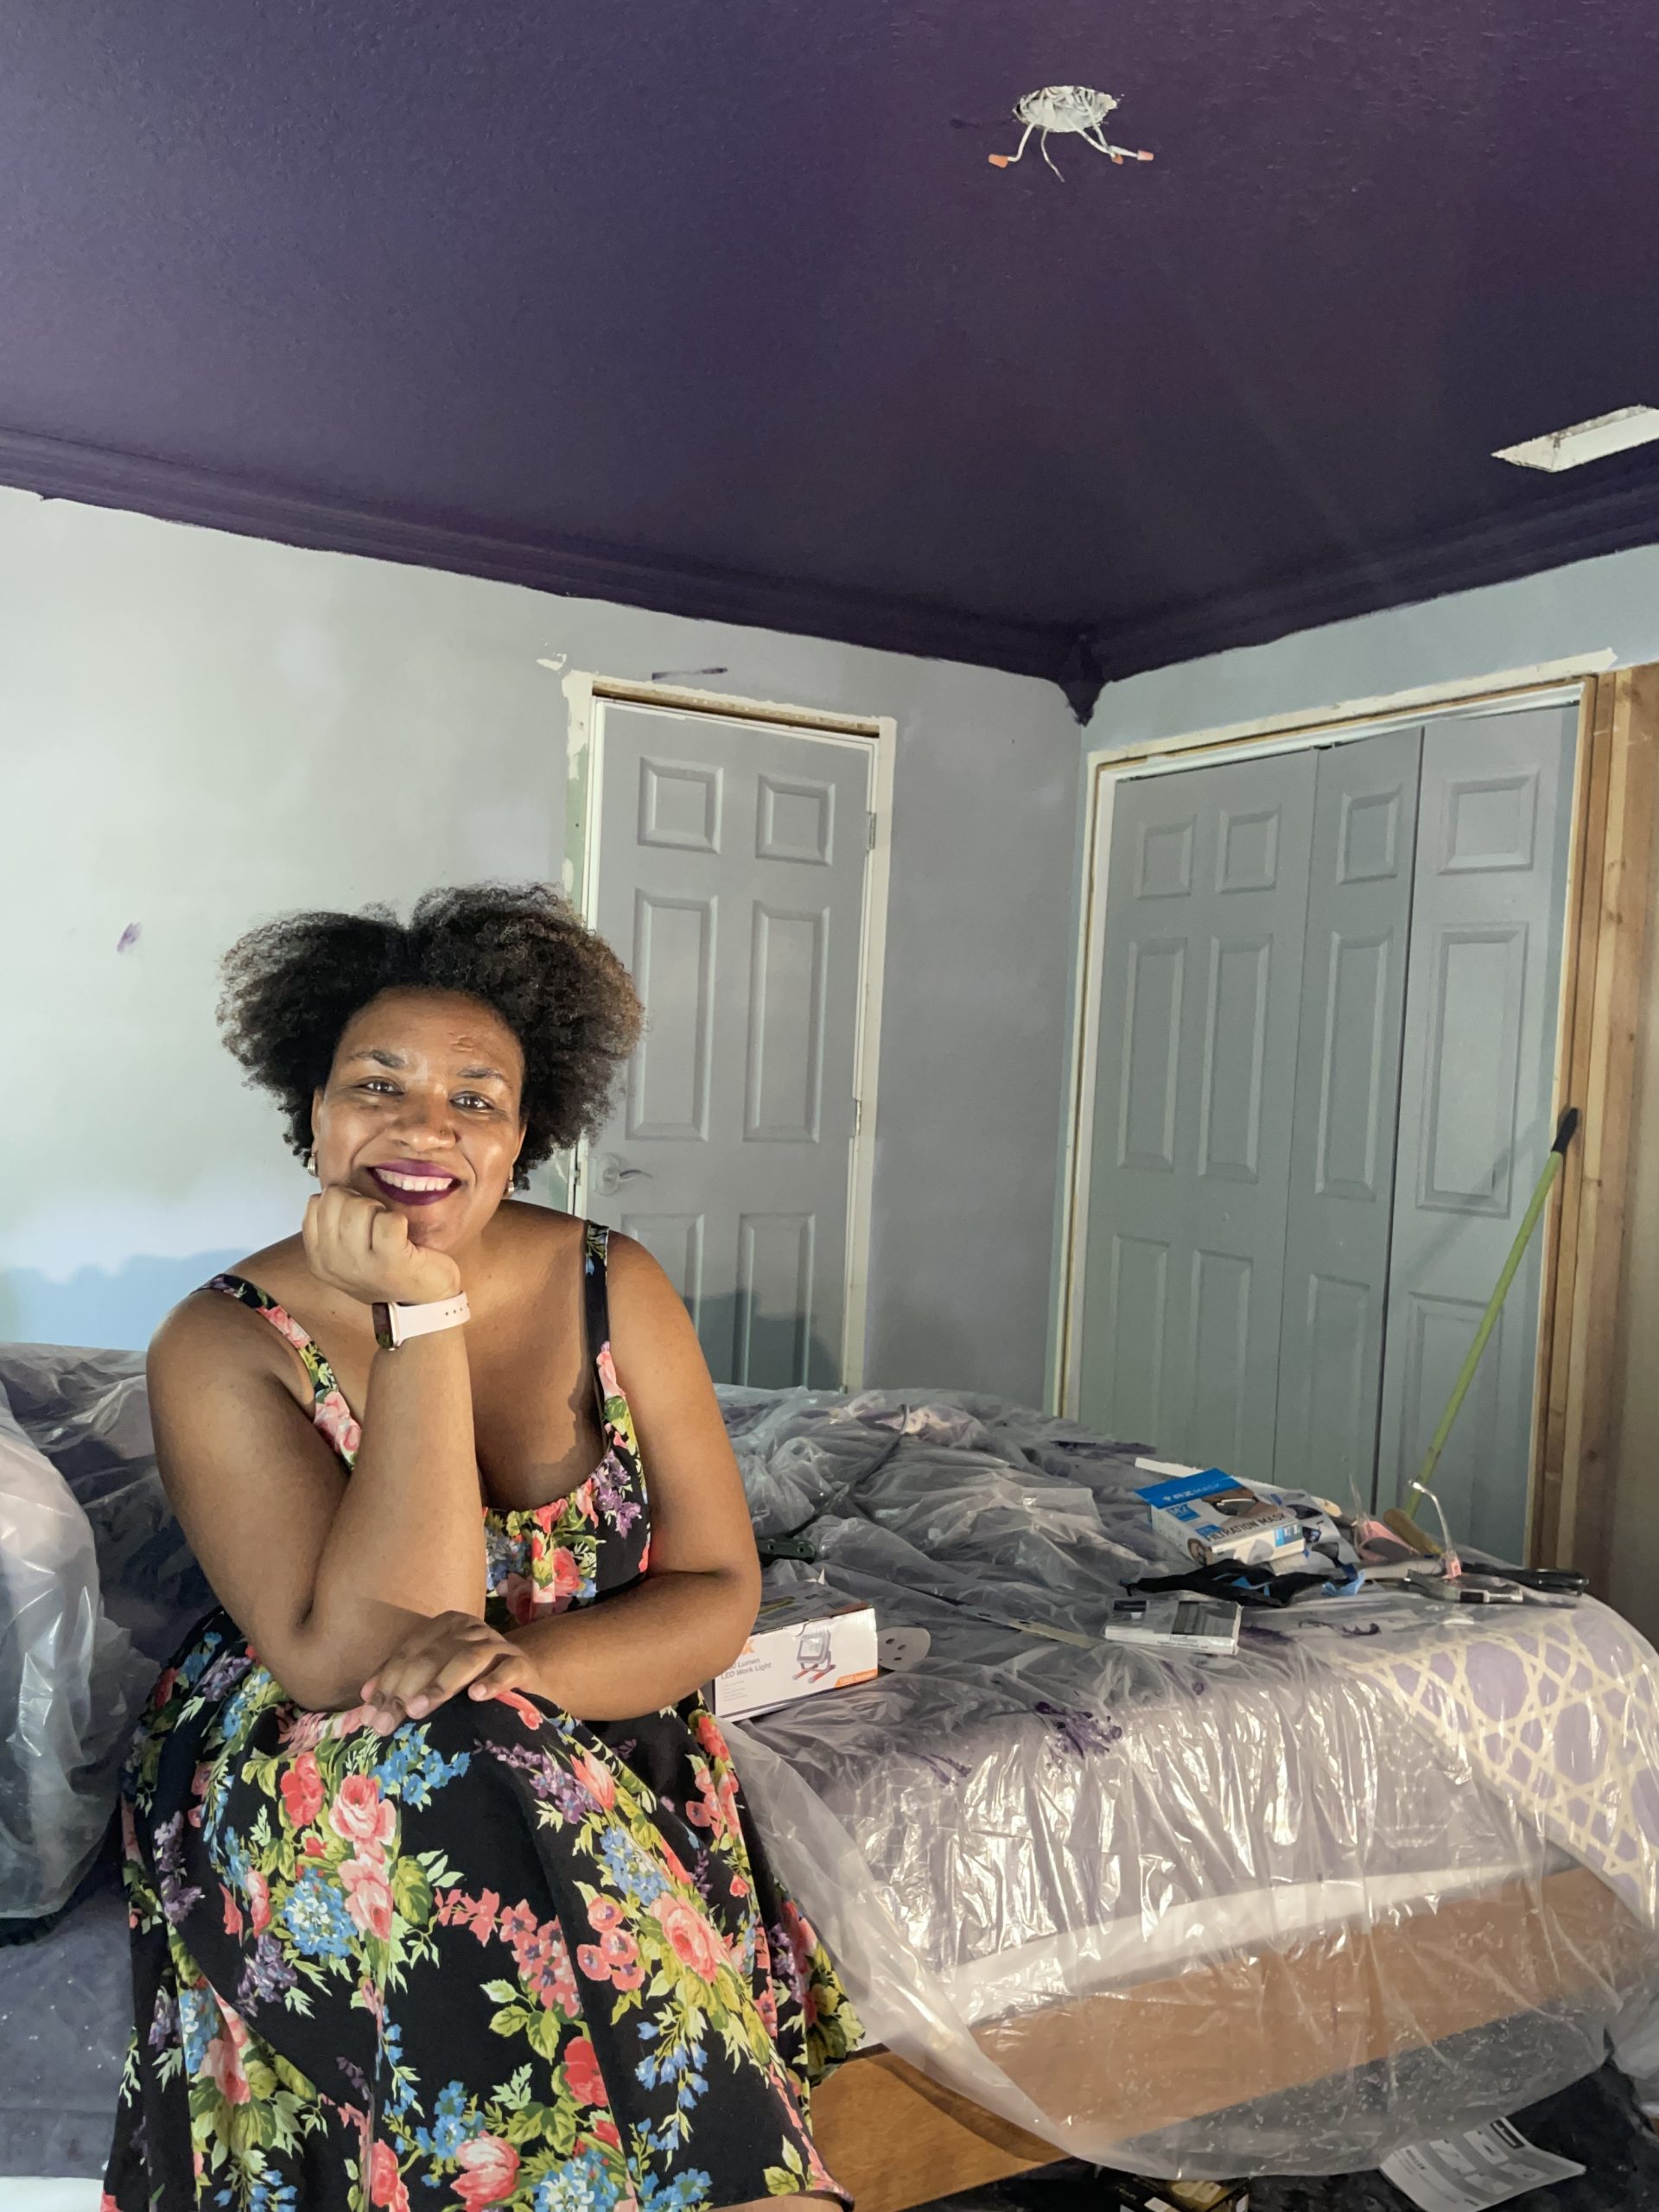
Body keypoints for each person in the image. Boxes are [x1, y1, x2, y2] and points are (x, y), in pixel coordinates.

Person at [102, 883, 858, 2212]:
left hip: (564, 1705)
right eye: (376, 1084)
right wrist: (421, 1322)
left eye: (475, 1097)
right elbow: (375, 1654)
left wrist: (521, 1672)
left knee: (481, 1740)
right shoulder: (217, 1341)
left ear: (525, 1136)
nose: (422, 1127)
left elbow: (720, 1586)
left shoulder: (611, 1280)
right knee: (447, 1746)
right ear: (313, 1112)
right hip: (313, 1735)